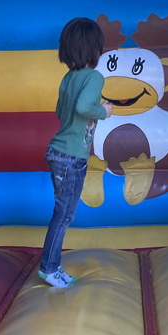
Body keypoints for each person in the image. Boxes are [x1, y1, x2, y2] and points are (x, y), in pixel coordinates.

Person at [39, 17, 113, 288]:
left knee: (62, 212)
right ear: (95, 49)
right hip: (71, 157)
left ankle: (51, 265)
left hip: (57, 151)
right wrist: (102, 111)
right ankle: (49, 267)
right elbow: (83, 107)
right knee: (65, 214)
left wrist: (90, 105)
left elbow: (62, 112)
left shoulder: (69, 77)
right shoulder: (94, 76)